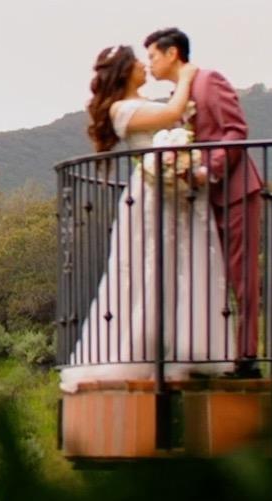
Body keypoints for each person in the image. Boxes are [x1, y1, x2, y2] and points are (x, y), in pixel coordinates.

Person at [63, 44, 234, 382]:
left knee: (183, 265)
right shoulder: (121, 109)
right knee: (147, 268)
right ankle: (141, 350)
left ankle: (187, 347)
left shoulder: (140, 102)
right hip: (151, 195)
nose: (144, 65)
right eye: (137, 61)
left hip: (178, 191)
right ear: (125, 71)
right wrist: (186, 76)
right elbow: (171, 115)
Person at [145, 27, 265, 375]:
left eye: (152, 56)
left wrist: (207, 169)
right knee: (208, 276)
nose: (149, 64)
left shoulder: (209, 80)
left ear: (172, 53)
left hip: (236, 191)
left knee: (242, 275)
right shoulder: (178, 95)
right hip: (201, 201)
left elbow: (236, 131)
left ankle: (247, 357)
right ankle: (214, 353)